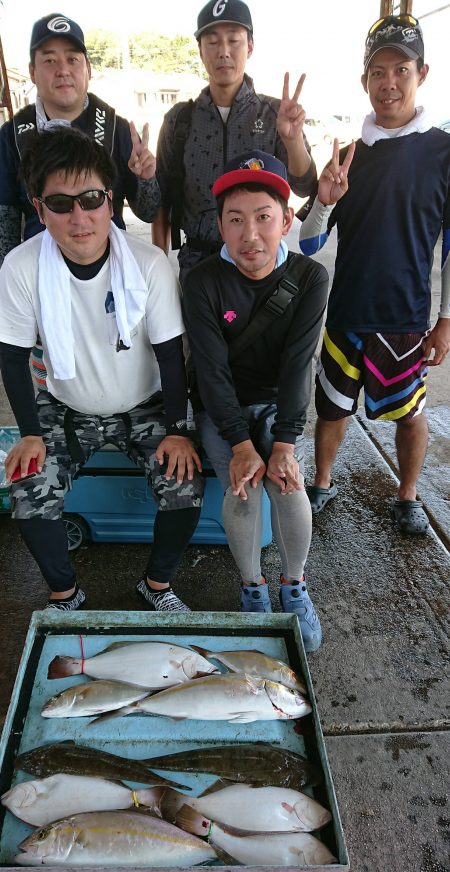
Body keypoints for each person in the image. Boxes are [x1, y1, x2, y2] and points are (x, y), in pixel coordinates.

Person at [0, 126, 203, 612]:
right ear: (38, 207)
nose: (80, 217)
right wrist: (29, 432)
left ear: (110, 201)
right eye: (60, 203)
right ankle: (65, 594)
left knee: (185, 483)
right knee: (27, 486)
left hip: (144, 401)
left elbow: (171, 354)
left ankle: (156, 587)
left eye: (91, 198)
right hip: (66, 403)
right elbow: (11, 355)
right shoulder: (21, 266)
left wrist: (177, 428)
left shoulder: (150, 264)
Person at [299, 14, 450, 535]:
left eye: (401, 70)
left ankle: (408, 496)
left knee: (410, 414)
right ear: (364, 81)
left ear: (422, 73)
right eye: (378, 72)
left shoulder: (443, 152)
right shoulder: (349, 154)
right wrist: (323, 199)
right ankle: (322, 483)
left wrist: (446, 319)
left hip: (408, 316)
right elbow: (310, 241)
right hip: (345, 314)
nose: (389, 83)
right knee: (332, 409)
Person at [182, 149, 329, 652]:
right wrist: (241, 444)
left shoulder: (310, 278)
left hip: (275, 401)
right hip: (221, 407)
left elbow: (298, 365)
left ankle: (295, 586)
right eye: (236, 220)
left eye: (264, 218)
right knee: (241, 484)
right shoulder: (201, 281)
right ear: (220, 226)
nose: (251, 235)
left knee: (288, 484)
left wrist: (284, 442)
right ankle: (252, 589)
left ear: (286, 220)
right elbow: (210, 369)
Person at [152, 0, 317, 283]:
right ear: (200, 50)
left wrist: (292, 141)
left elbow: (304, 187)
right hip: (198, 268)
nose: (224, 52)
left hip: (263, 268)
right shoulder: (179, 120)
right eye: (213, 41)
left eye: (234, 40)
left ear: (250, 46)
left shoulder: (277, 114)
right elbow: (162, 200)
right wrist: (159, 271)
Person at [0, 12, 160, 266]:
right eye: (50, 60)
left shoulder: (117, 129)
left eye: (73, 59)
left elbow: (149, 212)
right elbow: (4, 227)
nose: (63, 70)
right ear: (32, 71)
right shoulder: (11, 137)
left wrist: (146, 179)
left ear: (88, 68)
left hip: (110, 270)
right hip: (39, 271)